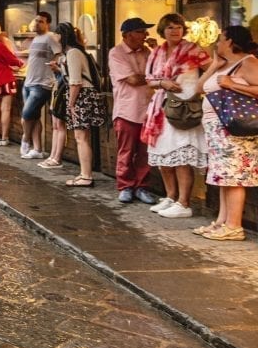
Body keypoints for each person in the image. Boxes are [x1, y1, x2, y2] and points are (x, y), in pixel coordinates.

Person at [143, 12, 210, 218]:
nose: (175, 30)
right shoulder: (157, 52)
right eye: (171, 27)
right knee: (163, 155)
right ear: (163, 30)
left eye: (179, 27)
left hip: (184, 107)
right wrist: (163, 82)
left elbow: (211, 69)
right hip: (161, 107)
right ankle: (171, 196)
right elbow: (149, 80)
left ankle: (184, 202)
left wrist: (197, 89)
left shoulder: (194, 50)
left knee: (181, 155)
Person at [195, 26, 258, 240]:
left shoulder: (248, 62)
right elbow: (198, 88)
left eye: (220, 39)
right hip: (218, 129)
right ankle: (223, 221)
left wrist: (231, 85)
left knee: (234, 176)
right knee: (224, 176)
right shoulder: (227, 65)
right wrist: (214, 65)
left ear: (230, 41)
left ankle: (234, 225)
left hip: (234, 130)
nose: (217, 43)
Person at [108, 18, 157, 204]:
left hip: (148, 110)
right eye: (141, 31)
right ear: (127, 35)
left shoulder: (148, 52)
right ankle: (125, 186)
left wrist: (157, 51)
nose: (145, 35)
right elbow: (134, 80)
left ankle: (142, 187)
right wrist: (153, 78)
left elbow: (160, 73)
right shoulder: (116, 53)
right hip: (126, 110)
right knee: (126, 151)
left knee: (145, 153)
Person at [56, 22, 107, 187]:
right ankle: (85, 174)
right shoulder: (76, 52)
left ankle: (86, 175)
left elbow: (75, 82)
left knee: (81, 137)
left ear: (62, 37)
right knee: (82, 137)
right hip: (85, 95)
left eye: (56, 37)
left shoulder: (73, 53)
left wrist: (71, 104)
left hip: (82, 96)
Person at [17, 12, 61, 158]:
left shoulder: (50, 37)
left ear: (47, 23)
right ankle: (37, 150)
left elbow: (58, 54)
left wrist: (53, 67)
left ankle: (25, 139)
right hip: (29, 81)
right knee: (34, 117)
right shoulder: (36, 38)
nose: (36, 23)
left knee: (26, 115)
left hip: (42, 83)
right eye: (35, 21)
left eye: (40, 21)